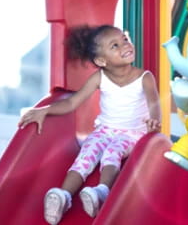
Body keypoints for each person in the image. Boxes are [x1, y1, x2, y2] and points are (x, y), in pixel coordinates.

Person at [18, 24, 162, 224]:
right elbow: (72, 102)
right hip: (104, 130)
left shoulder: (144, 78)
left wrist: (155, 121)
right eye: (115, 45)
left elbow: (154, 102)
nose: (125, 46)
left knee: (112, 152)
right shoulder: (99, 77)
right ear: (101, 61)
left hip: (132, 133)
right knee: (87, 152)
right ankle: (63, 196)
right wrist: (45, 110)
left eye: (125, 40)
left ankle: (102, 192)